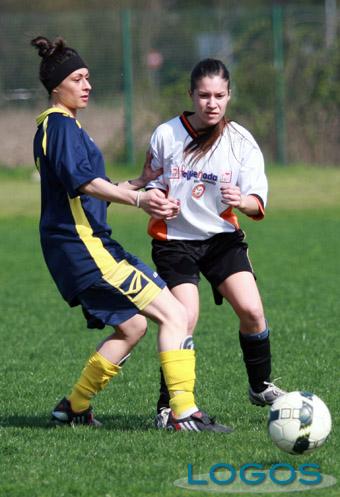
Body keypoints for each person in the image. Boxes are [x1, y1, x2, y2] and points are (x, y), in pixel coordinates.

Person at [31, 37, 232, 433]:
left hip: (78, 248)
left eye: (88, 77)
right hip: (87, 249)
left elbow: (89, 189)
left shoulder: (61, 127)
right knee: (175, 312)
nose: (87, 85)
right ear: (57, 87)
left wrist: (138, 184)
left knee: (132, 326)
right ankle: (183, 412)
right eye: (77, 78)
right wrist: (139, 200)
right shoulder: (59, 126)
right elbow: (87, 185)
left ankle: (73, 406)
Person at [145, 58, 286, 428]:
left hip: (221, 240)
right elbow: (149, 183)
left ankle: (260, 387)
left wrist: (240, 200)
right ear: (191, 94)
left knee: (253, 312)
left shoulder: (240, 141)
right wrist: (155, 197)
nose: (212, 103)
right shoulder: (166, 134)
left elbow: (257, 203)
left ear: (229, 96)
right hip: (174, 242)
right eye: (204, 95)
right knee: (184, 317)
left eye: (219, 95)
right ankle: (168, 407)